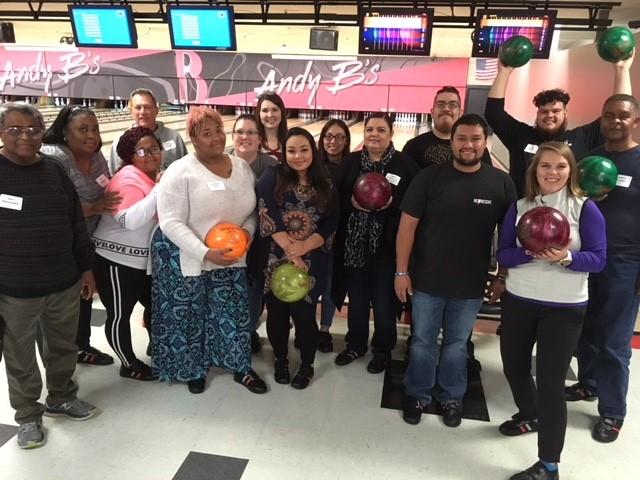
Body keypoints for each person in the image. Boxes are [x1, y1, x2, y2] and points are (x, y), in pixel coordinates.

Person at [395, 114, 516, 427]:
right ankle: (417, 393)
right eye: (462, 138)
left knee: (456, 344)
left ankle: (452, 397)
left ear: (484, 142)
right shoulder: (429, 178)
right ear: (452, 141)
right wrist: (401, 272)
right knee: (422, 341)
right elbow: (407, 226)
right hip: (427, 279)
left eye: (475, 139)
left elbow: (509, 235)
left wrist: (502, 276)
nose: (468, 145)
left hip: (471, 283)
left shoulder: (500, 183)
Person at [497, 142, 606, 480]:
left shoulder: (584, 209)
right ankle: (530, 414)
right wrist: (529, 253)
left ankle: (548, 464)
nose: (552, 172)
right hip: (519, 299)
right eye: (545, 166)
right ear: (535, 170)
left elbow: (599, 260)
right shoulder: (519, 206)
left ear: (570, 170)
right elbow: (503, 255)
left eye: (560, 166)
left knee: (550, 383)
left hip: (564, 307)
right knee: (514, 367)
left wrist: (566, 257)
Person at [0, 102, 97, 449]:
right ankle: (27, 416)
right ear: (1, 133)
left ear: (43, 133)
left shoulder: (55, 169)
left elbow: (75, 223)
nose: (25, 136)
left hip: (62, 280)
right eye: (15, 130)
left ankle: (61, 396)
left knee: (62, 347)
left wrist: (86, 269)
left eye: (33, 130)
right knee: (20, 356)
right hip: (14, 288)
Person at [153, 106, 267, 395]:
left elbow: (253, 212)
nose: (216, 138)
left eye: (218, 130)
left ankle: (240, 367)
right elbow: (170, 221)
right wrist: (205, 252)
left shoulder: (240, 167)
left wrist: (247, 234)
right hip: (191, 259)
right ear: (192, 137)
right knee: (190, 317)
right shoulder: (180, 171)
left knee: (233, 315)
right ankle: (194, 370)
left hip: (232, 259)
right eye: (206, 133)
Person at [566, 94, 640, 443]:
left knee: (614, 340)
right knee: (585, 328)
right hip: (588, 257)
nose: (614, 121)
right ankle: (589, 383)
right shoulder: (590, 160)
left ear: (635, 121)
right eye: (608, 115)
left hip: (626, 262)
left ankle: (612, 412)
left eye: (622, 116)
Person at [332, 113, 420, 374]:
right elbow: (335, 198)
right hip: (354, 248)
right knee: (357, 302)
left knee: (384, 303)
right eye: (370, 129)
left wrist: (395, 202)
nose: (374, 134)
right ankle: (355, 344)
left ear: (391, 134)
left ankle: (382, 350)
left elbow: (417, 203)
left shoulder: (406, 166)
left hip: (388, 249)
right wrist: (352, 203)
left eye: (381, 130)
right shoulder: (350, 163)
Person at [256, 127, 338, 389]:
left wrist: (304, 247)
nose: (298, 156)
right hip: (274, 257)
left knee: (305, 316)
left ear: (312, 151)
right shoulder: (272, 175)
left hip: (312, 258)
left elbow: (330, 223)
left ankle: (306, 364)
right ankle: (281, 360)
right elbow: (265, 211)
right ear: (284, 153)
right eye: (291, 150)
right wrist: (293, 251)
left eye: (304, 150)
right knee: (277, 314)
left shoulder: (326, 181)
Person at [485, 52, 633, 197]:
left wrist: (621, 70)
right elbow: (494, 114)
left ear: (565, 113)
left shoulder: (581, 137)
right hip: (523, 213)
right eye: (544, 111)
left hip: (566, 216)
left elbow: (618, 110)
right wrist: (503, 72)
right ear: (537, 114)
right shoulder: (521, 136)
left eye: (556, 111)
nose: (549, 115)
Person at [41, 105, 120, 366]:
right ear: (65, 132)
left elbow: (108, 190)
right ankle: (63, 355)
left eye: (95, 129)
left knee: (85, 293)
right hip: (63, 243)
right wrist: (96, 207)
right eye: (82, 129)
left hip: (90, 240)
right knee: (65, 304)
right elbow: (58, 206)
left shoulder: (96, 157)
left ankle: (81, 346)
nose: (92, 135)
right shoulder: (55, 158)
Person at [92, 126, 160, 381]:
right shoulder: (128, 177)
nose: (150, 154)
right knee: (120, 314)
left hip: (141, 262)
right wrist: (159, 190)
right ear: (130, 155)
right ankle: (128, 363)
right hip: (115, 261)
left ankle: (161, 349)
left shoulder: (148, 176)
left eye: (154, 148)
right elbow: (128, 221)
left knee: (154, 306)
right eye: (142, 150)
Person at [229, 113, 277, 354]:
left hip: (261, 241)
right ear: (233, 136)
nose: (245, 137)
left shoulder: (271, 166)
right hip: (226, 239)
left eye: (250, 132)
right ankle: (226, 331)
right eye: (240, 132)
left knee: (254, 285)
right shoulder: (221, 162)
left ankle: (248, 332)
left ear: (260, 138)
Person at [317, 118, 351, 353]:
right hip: (315, 236)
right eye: (329, 136)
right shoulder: (312, 165)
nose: (333, 141)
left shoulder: (353, 165)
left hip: (343, 238)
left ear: (347, 140)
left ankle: (324, 329)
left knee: (330, 284)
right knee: (311, 283)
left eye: (340, 136)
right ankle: (306, 327)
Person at [403, 86, 492, 168]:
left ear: (460, 113)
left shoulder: (476, 148)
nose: (446, 109)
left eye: (452, 105)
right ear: (432, 112)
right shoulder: (413, 146)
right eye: (440, 104)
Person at [108, 88, 187, 174]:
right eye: (138, 108)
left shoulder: (174, 137)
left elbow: (186, 170)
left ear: (156, 110)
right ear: (131, 112)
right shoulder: (120, 142)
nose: (142, 112)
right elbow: (114, 175)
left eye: (147, 107)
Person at [255, 92, 287, 162]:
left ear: (282, 112)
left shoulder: (290, 140)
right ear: (258, 113)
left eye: (275, 110)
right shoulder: (252, 141)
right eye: (265, 110)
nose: (270, 115)